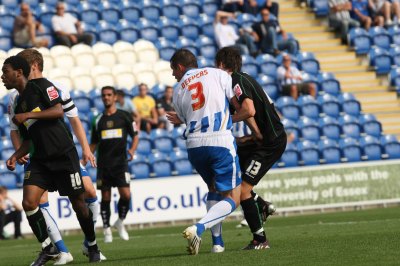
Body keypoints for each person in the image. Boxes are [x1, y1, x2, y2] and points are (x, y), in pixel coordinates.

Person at [2, 56, 101, 264]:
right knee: (29, 203)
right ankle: (48, 248)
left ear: (19, 72)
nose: (2, 77)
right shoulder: (17, 104)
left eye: (6, 71)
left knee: (78, 204)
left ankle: (92, 244)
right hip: (40, 160)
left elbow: (58, 111)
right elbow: (28, 140)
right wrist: (15, 155)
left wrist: (29, 114)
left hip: (63, 155)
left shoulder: (42, 86)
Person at [166, 49, 242, 255]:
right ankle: (199, 228)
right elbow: (236, 105)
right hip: (219, 140)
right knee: (234, 196)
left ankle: (217, 243)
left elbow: (187, 116)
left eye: (173, 69)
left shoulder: (178, 89)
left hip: (194, 145)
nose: (173, 74)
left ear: (180, 67)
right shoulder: (219, 74)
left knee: (213, 188)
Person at [215, 47, 287, 249]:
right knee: (236, 177)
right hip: (263, 139)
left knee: (243, 190)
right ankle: (262, 205)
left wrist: (224, 122)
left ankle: (260, 240)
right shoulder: (241, 78)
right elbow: (247, 111)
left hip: (271, 143)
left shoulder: (235, 81)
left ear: (221, 64)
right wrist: (254, 134)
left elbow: (248, 110)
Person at [90, 86, 139, 244]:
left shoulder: (125, 116)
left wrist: (132, 149)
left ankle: (120, 222)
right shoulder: (97, 120)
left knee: (126, 195)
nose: (106, 97)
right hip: (103, 165)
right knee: (105, 197)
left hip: (121, 163)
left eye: (109, 95)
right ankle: (106, 229)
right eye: (104, 95)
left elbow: (135, 135)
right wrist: (86, 157)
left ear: (115, 97)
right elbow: (94, 142)